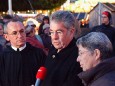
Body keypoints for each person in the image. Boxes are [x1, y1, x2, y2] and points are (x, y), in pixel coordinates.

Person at [41, 10, 83, 86]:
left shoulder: (79, 56)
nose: (54, 37)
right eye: (51, 32)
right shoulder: (53, 49)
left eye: (59, 32)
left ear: (71, 31)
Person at [0, 19, 46, 86]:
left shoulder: (38, 53)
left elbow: (47, 78)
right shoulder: (2, 56)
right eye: (14, 33)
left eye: (22, 31)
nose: (20, 36)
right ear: (6, 37)